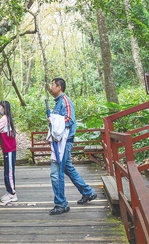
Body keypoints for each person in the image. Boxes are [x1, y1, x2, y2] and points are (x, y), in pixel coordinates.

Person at [47, 77, 97, 215]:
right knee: (67, 168)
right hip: (60, 141)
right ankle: (88, 192)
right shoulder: (58, 103)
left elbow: (69, 120)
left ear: (59, 87)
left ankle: (61, 204)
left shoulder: (65, 102)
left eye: (52, 85)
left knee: (56, 173)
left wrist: (53, 120)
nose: (50, 87)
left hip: (64, 142)